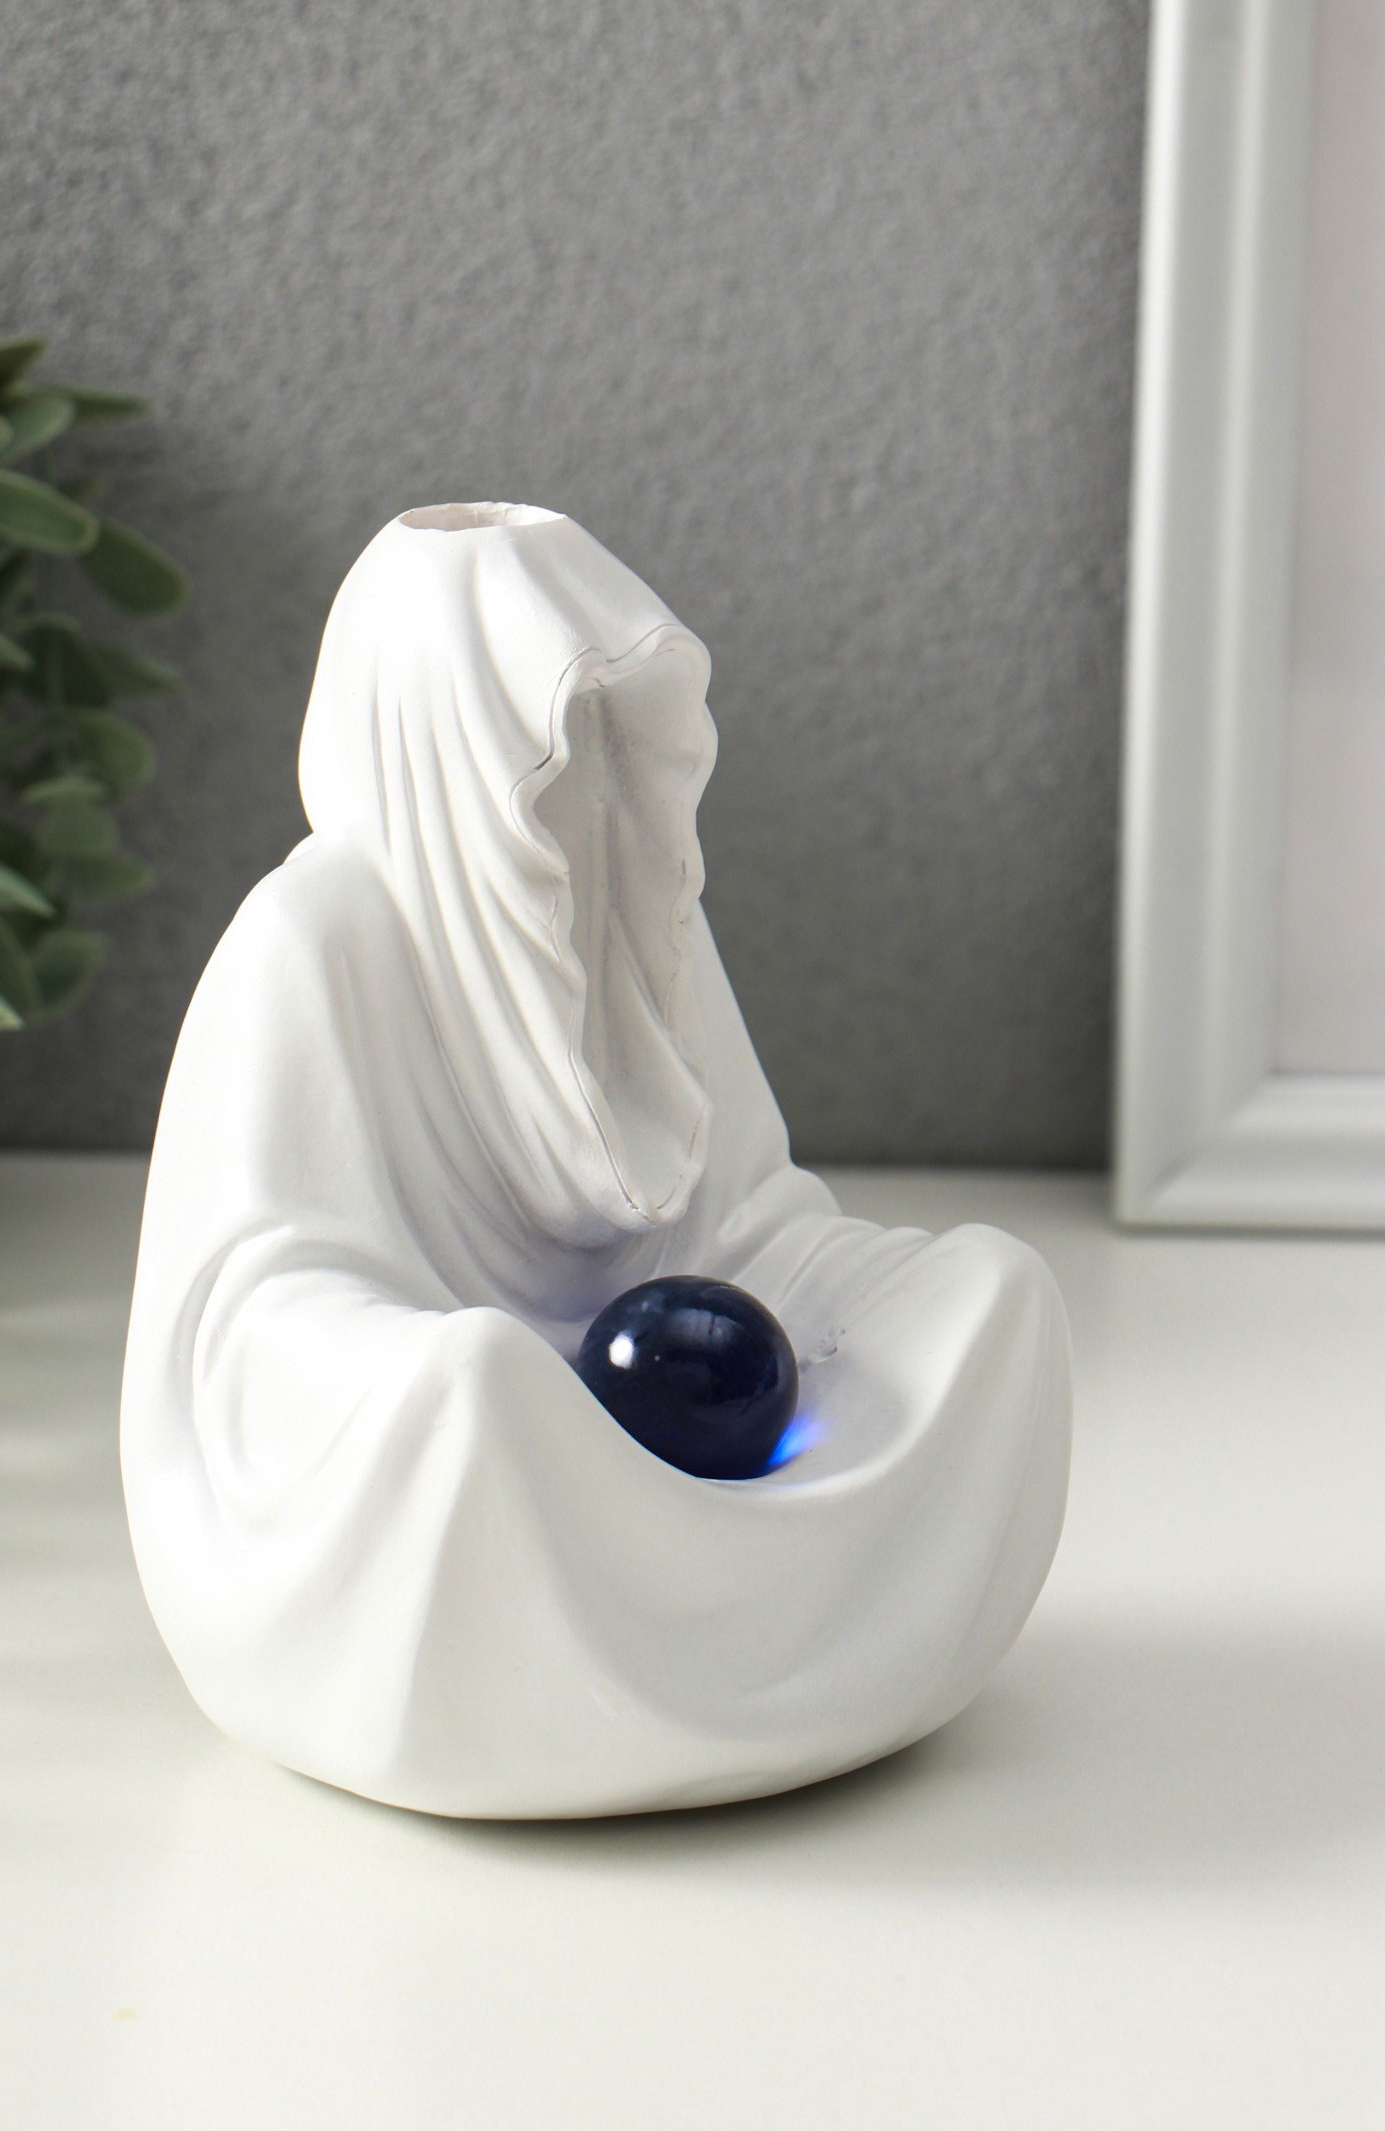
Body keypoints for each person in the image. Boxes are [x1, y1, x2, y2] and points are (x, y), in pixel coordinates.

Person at [121, 503, 1071, 1818]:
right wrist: (474, 1367)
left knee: (990, 1299)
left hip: (658, 1381)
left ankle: (788, 1648)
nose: (590, 792)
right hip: (461, 1399)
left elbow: (748, 1218)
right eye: (552, 750)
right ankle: (620, 1668)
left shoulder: (629, 905)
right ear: (432, 748)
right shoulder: (310, 940)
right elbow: (253, 1311)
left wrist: (842, 1301)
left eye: (613, 744)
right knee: (476, 1398)